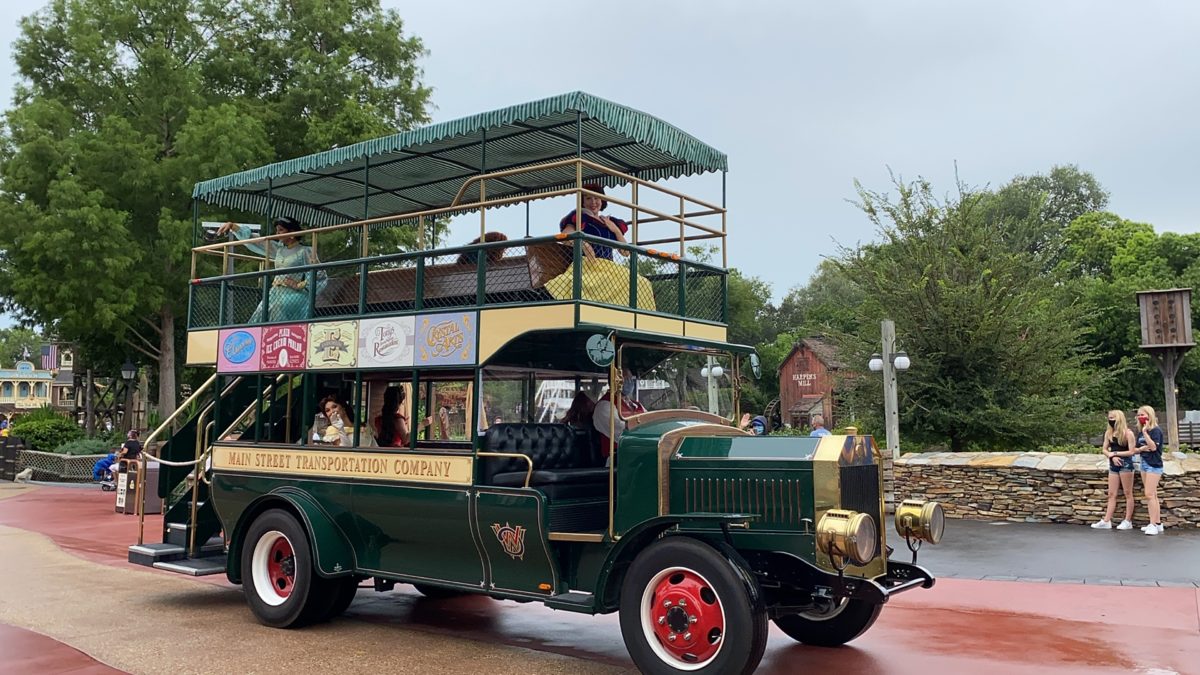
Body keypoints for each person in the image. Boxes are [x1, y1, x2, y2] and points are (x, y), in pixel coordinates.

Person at [216, 217, 325, 322]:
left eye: (281, 230)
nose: (277, 233)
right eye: (277, 230)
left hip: (295, 295)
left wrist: (300, 285)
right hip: (275, 293)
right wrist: (233, 226)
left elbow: (320, 275)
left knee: (277, 309)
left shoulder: (305, 251)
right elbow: (256, 241)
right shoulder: (278, 249)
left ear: (292, 233)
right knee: (260, 312)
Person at [1091, 410, 1137, 530]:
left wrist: (1116, 453)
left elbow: (1131, 451)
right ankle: (1106, 520)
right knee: (1112, 494)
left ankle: (1128, 520)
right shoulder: (1109, 433)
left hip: (1125, 464)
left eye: (1113, 418)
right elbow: (1104, 449)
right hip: (1113, 464)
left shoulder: (1128, 433)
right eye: (1109, 418)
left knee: (1128, 493)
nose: (1111, 420)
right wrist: (1112, 455)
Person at [559, 183, 628, 261]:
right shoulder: (579, 217)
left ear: (602, 200)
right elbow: (565, 236)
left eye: (596, 198)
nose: (593, 202)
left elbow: (625, 253)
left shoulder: (609, 222)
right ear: (583, 202)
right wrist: (584, 245)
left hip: (607, 268)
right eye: (588, 198)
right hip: (586, 264)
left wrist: (616, 230)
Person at [593, 367, 647, 459]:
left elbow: (652, 422)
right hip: (617, 460)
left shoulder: (637, 405)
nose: (630, 382)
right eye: (626, 379)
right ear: (614, 381)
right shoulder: (605, 406)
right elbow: (622, 433)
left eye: (631, 379)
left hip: (640, 454)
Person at [1132, 405, 1166, 535]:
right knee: (1153, 494)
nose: (1140, 417)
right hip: (1144, 463)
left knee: (1149, 494)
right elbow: (1135, 449)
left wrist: (1146, 433)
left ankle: (1152, 524)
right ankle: (1157, 523)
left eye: (1143, 415)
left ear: (1149, 415)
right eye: (1139, 415)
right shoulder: (1140, 432)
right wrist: (1141, 449)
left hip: (1154, 464)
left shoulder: (1155, 431)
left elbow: (1152, 447)